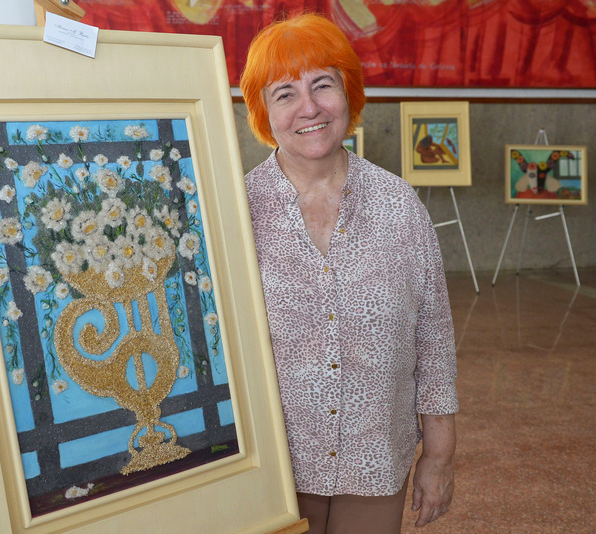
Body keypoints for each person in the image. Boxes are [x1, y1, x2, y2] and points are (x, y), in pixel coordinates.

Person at [239, 13, 458, 534]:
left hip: (375, 459)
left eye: (322, 84)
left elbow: (434, 339)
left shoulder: (398, 205)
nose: (309, 107)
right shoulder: (237, 209)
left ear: (348, 93)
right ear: (264, 111)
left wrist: (440, 454)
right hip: (271, 469)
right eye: (285, 93)